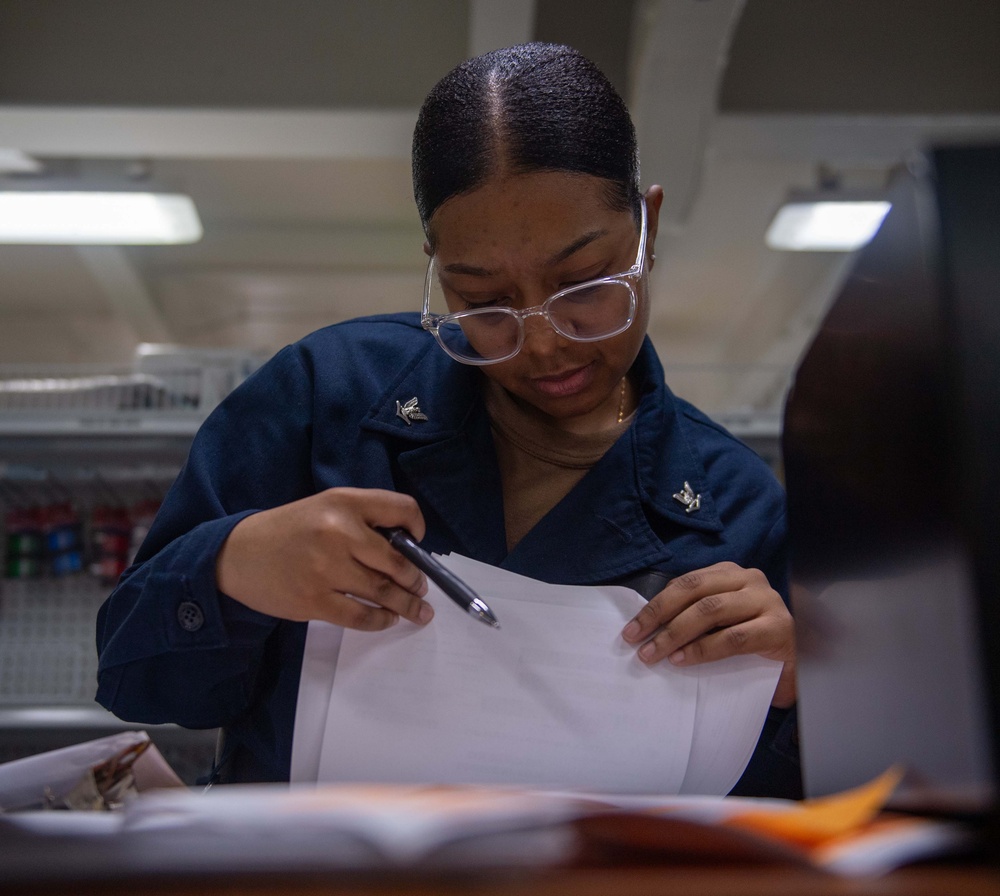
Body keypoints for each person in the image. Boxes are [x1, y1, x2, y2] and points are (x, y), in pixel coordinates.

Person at [95, 42, 800, 797]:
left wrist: (798, 687)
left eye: (586, 284)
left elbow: (789, 813)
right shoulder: (326, 397)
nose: (544, 342)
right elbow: (138, 682)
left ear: (647, 231)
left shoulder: (735, 505)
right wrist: (231, 568)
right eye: (482, 299)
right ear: (437, 265)